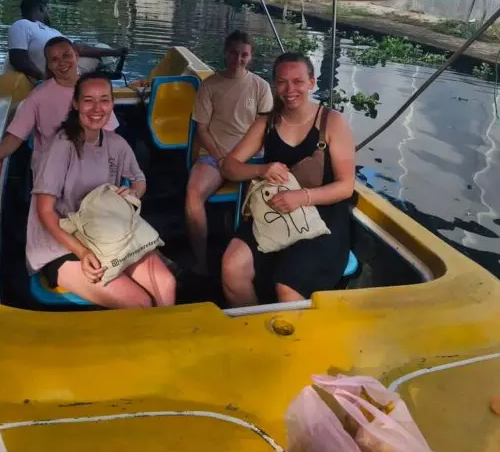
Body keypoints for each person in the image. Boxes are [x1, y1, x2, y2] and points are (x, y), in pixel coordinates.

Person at [26, 71, 176, 308]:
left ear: (112, 103)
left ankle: (168, 344)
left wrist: (134, 192)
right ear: (76, 104)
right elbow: (45, 212)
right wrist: (83, 253)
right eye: (88, 100)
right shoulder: (61, 145)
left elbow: (139, 179)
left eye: (104, 100)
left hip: (107, 233)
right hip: (62, 245)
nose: (97, 108)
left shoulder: (116, 143)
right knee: (139, 302)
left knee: (166, 285)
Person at [221, 52, 355, 306]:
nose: (290, 89)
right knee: (231, 267)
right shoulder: (266, 123)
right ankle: (257, 328)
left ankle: (290, 343)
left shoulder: (333, 123)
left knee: (288, 287)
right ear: (275, 85)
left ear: (311, 83)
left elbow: (346, 186)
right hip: (275, 211)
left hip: (323, 217)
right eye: (282, 82)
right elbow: (229, 167)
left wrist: (302, 197)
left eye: (298, 81)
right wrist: (261, 170)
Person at [185, 30, 273, 276]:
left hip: (250, 156)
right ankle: (200, 261)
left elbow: (265, 128)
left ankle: (257, 261)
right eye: (234, 53)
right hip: (214, 154)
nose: (238, 59)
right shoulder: (209, 85)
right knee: (193, 195)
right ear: (225, 53)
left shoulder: (261, 87)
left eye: (244, 55)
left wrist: (241, 159)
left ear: (251, 57)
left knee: (269, 198)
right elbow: (201, 128)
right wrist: (221, 157)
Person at [0, 37, 119, 180]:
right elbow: (16, 135)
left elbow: (109, 134)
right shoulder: (38, 96)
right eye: (54, 59)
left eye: (66, 55)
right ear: (49, 65)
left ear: (76, 56)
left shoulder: (95, 89)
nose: (62, 63)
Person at [7, 0, 127, 81]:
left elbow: (79, 48)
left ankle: (110, 68)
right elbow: (17, 58)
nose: (49, 14)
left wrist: (115, 52)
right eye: (47, 10)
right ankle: (109, 70)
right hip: (56, 74)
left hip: (72, 67)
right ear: (41, 8)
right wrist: (42, 77)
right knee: (101, 49)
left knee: (100, 49)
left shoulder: (53, 31)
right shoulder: (22, 24)